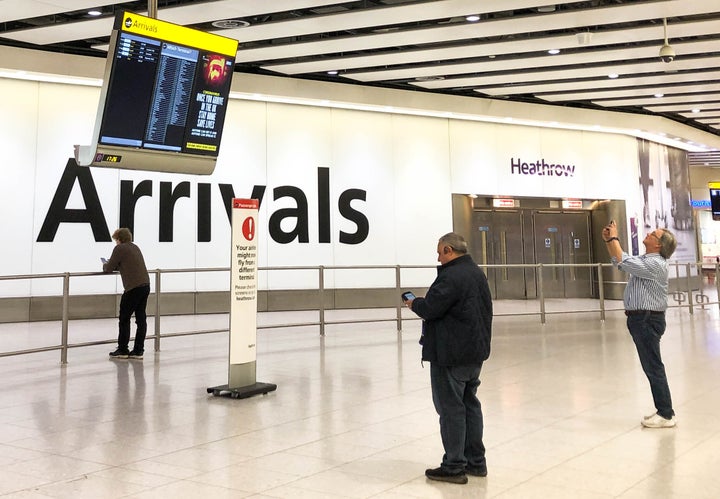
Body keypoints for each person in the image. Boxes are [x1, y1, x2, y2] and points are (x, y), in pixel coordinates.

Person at [403, 232, 493, 484]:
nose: (438, 256)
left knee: (450, 409)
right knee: (470, 405)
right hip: (474, 352)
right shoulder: (476, 272)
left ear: (449, 250)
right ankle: (476, 462)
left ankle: (454, 465)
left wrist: (414, 303)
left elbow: (431, 308)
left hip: (451, 354)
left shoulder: (451, 276)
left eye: (440, 251)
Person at [603, 220, 677, 428]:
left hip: (647, 319)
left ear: (659, 245)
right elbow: (620, 261)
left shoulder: (656, 263)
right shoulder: (647, 259)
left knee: (653, 367)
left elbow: (624, 262)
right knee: (651, 366)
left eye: (653, 234)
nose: (649, 234)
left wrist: (613, 239)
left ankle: (666, 414)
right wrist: (610, 240)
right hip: (640, 318)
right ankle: (663, 410)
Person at [103, 228, 150, 360]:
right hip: (145, 285)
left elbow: (109, 268)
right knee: (141, 319)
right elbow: (128, 264)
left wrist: (105, 265)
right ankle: (138, 350)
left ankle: (123, 349)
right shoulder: (135, 247)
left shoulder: (120, 249)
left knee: (124, 318)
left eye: (116, 240)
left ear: (119, 239)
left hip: (133, 287)